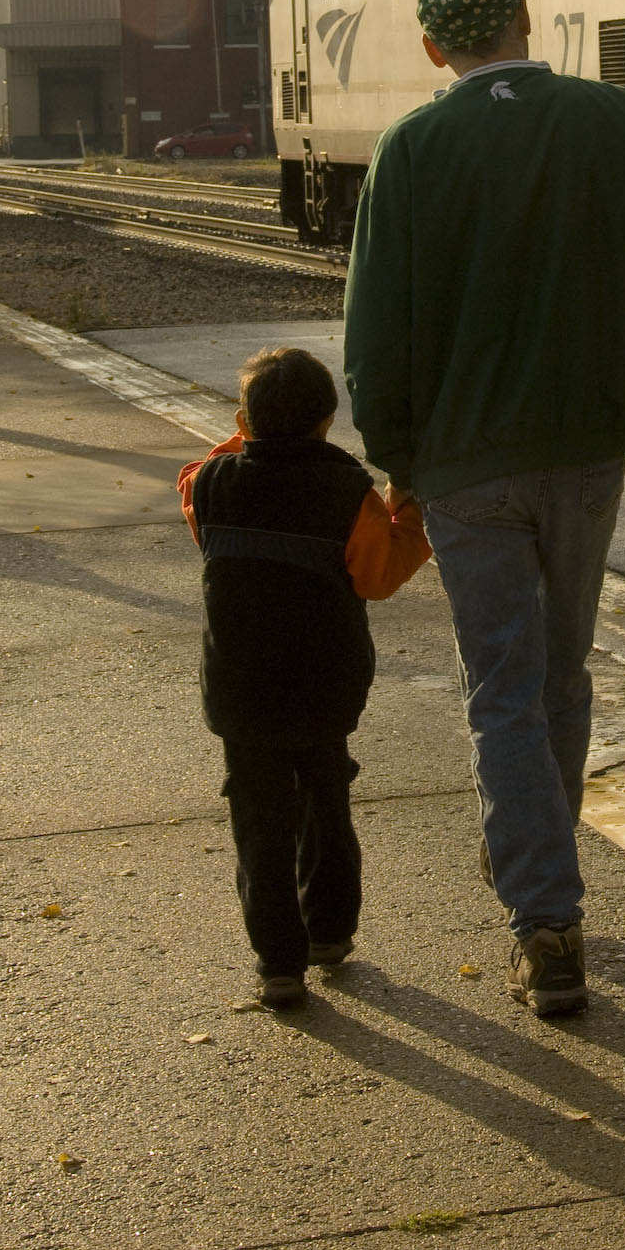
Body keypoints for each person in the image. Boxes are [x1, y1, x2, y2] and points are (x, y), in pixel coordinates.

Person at [343, 0, 625, 1016]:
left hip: (464, 470)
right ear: (524, 19)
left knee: (500, 686)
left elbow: (374, 332)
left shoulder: (410, 148)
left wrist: (400, 457)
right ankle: (538, 858)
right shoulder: (617, 123)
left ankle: (544, 915)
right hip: (589, 453)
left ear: (433, 48)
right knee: (560, 675)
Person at [177, 346, 430, 1008]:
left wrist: (245, 437)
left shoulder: (211, 483)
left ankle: (277, 963)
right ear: (326, 422)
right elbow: (381, 571)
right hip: (323, 686)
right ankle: (330, 931)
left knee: (259, 822)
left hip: (242, 690)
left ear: (245, 420)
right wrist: (408, 504)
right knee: (325, 799)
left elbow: (194, 480)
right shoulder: (348, 491)